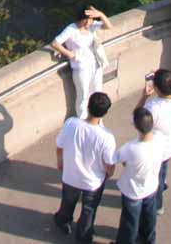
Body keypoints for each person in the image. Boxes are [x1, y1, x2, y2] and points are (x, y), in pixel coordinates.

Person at [54, 91, 117, 243]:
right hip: (93, 182)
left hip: (70, 175)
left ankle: (63, 220)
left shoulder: (71, 123)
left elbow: (59, 146)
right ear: (105, 112)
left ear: (88, 106)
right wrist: (109, 174)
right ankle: (83, 237)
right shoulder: (107, 137)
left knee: (68, 201)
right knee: (89, 210)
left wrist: (60, 162)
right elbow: (110, 164)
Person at [137, 68, 171, 217]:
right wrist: (163, 75)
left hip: (157, 151)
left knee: (156, 179)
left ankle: (157, 205)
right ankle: (162, 185)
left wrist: (144, 97)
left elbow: (136, 119)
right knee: (163, 170)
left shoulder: (154, 108)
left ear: (157, 89)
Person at [52, 5, 113, 119]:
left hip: (95, 65)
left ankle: (96, 120)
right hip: (81, 67)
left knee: (97, 93)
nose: (88, 23)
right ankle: (83, 121)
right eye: (85, 21)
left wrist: (100, 14)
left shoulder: (91, 26)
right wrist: (70, 54)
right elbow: (55, 43)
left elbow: (108, 26)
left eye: (90, 20)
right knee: (83, 96)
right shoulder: (71, 29)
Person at [114, 107, 164, 244]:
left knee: (130, 223)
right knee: (149, 218)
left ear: (136, 126)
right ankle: (149, 241)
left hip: (133, 191)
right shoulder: (159, 141)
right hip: (151, 187)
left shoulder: (131, 148)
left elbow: (116, 158)